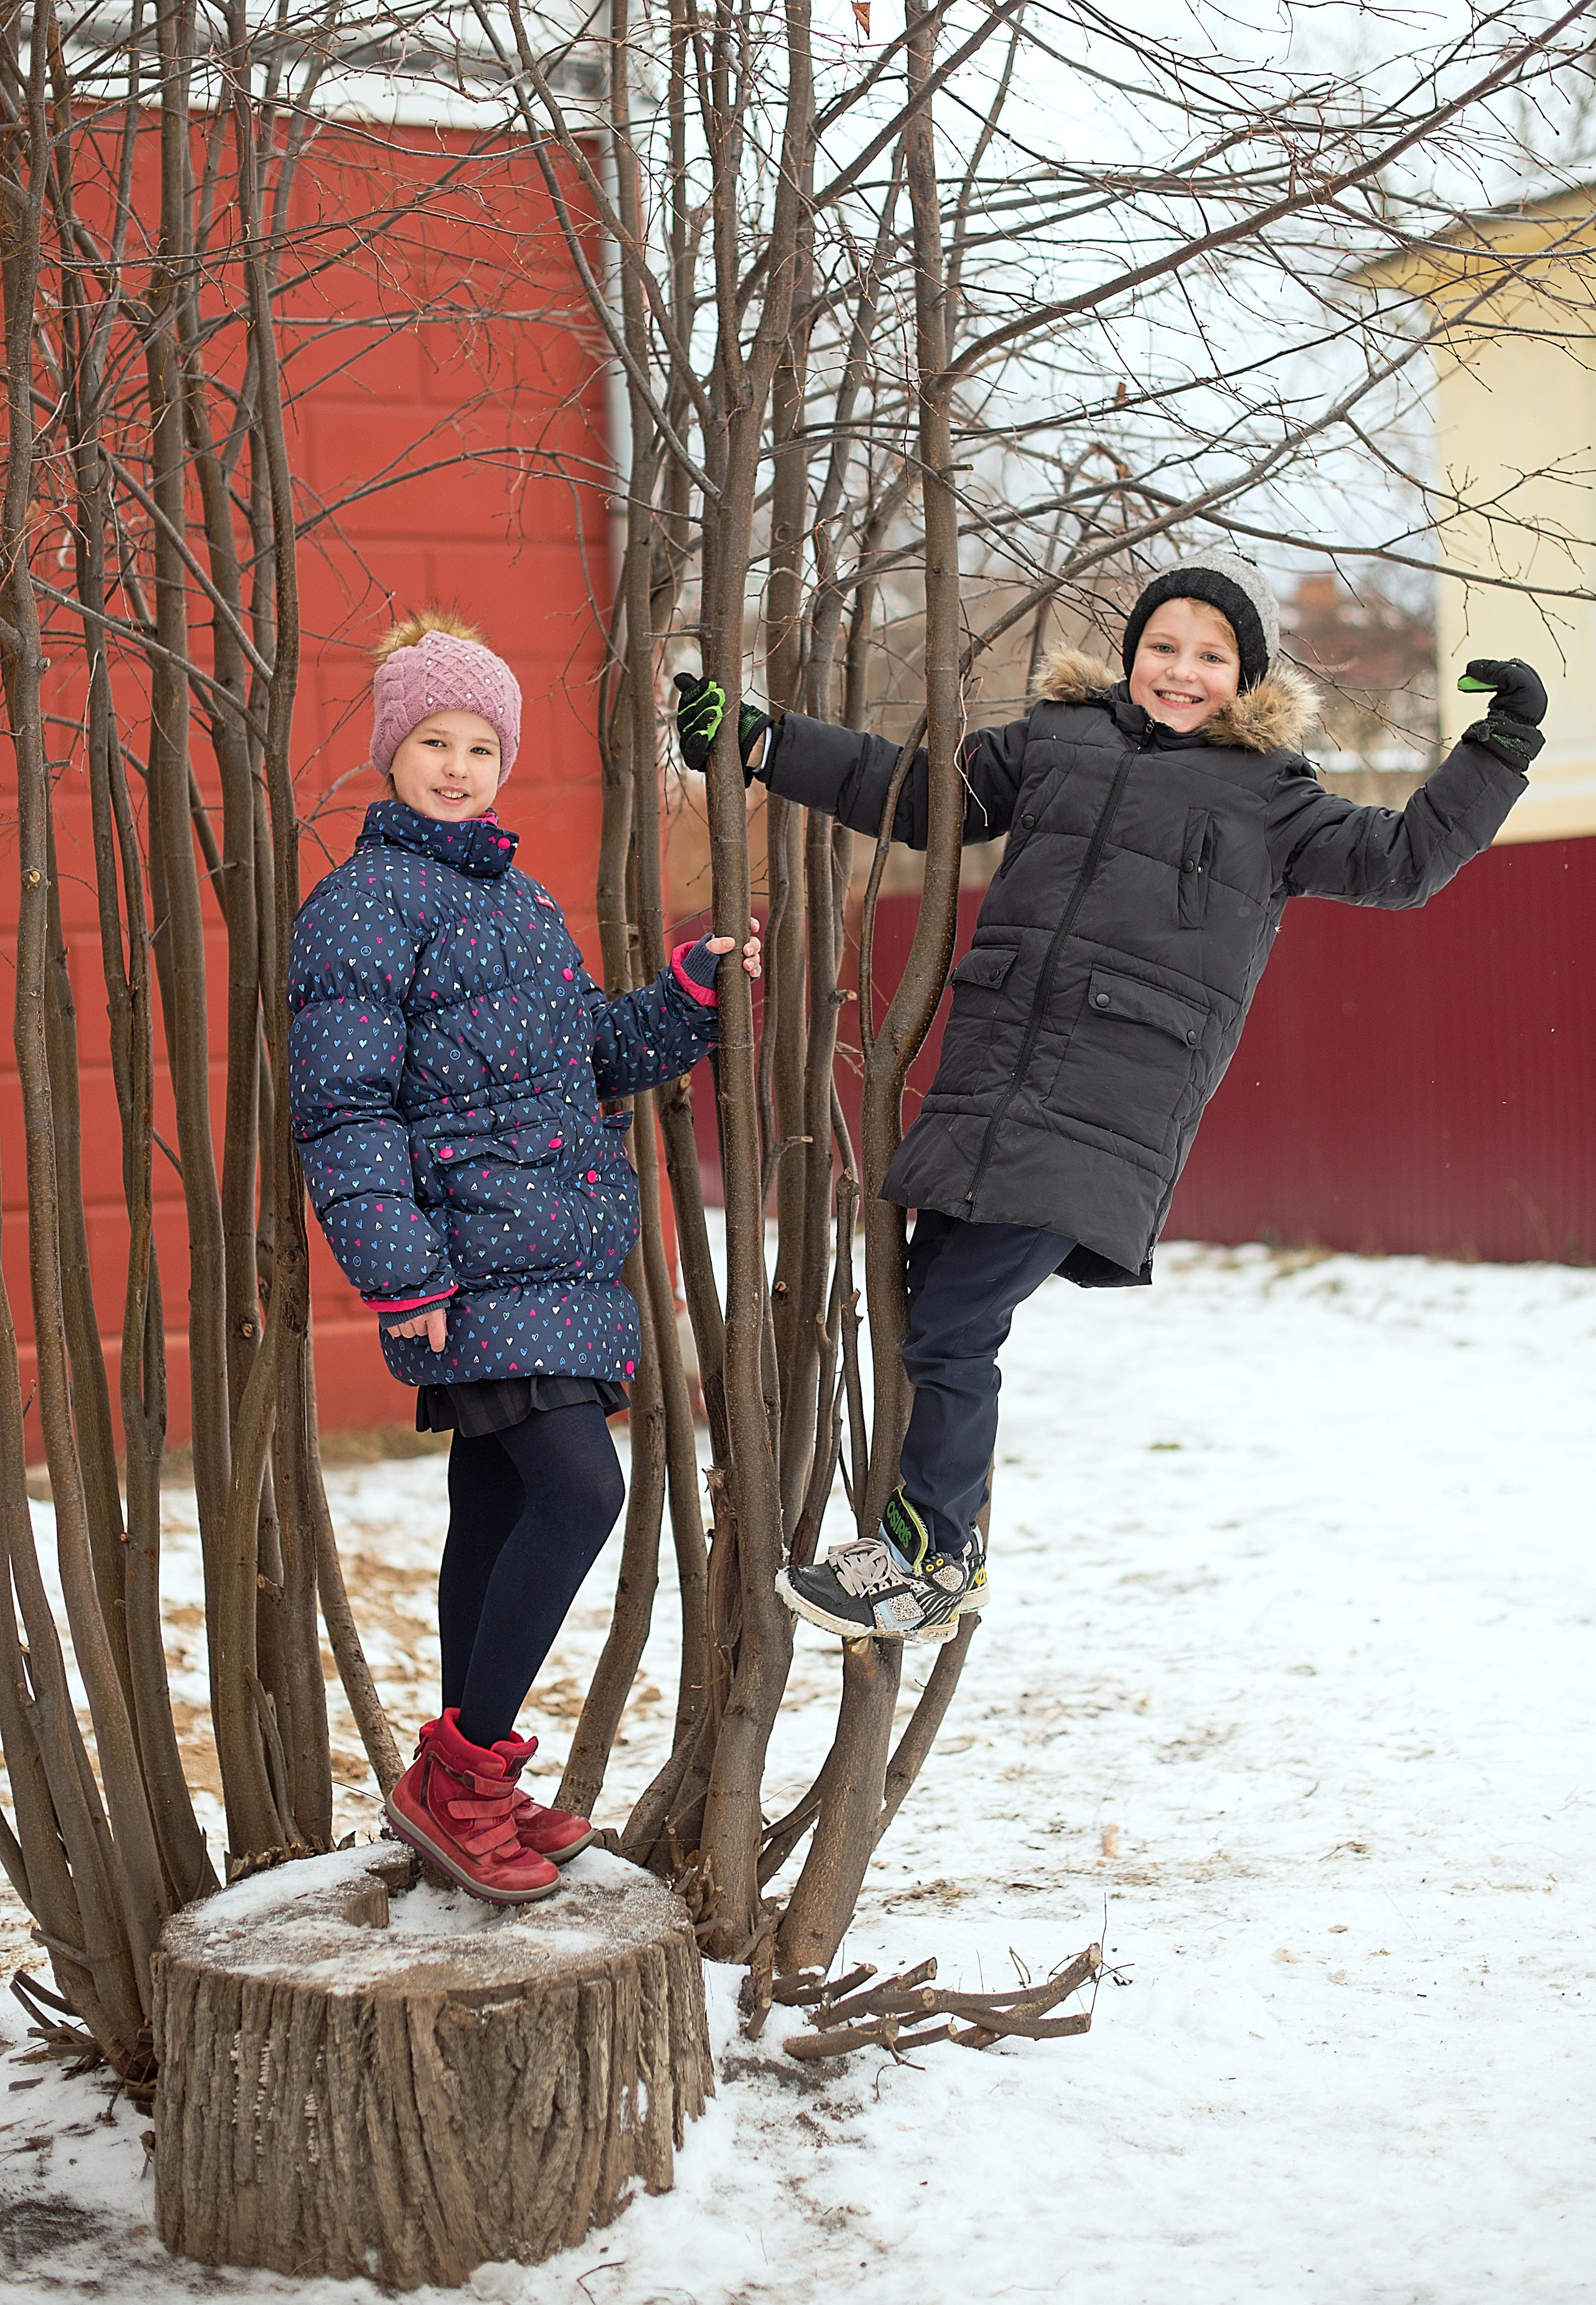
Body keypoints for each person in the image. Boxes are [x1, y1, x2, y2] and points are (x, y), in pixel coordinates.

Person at [675, 551, 1546, 1645]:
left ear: (1248, 677)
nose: (1181, 671)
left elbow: (1402, 859)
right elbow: (915, 793)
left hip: (1107, 1112)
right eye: (1162, 647)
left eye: (1211, 656)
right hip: (990, 1084)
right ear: (1130, 655)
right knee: (932, 1304)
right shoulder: (1058, 742)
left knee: (954, 1319)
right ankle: (932, 1544)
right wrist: (763, 743)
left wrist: (1497, 750)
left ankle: (934, 1556)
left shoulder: (1271, 795)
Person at [289, 610, 760, 1904]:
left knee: (495, 1512)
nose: (458, 767)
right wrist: (402, 1270)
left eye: (481, 746)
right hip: (468, 1259)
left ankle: (466, 1779)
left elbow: (586, 1057)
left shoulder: (518, 897)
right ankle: (459, 1781)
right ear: (390, 751)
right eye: (433, 741)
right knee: (579, 1493)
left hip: (549, 1256)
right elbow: (343, 1107)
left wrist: (683, 1001)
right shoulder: (361, 907)